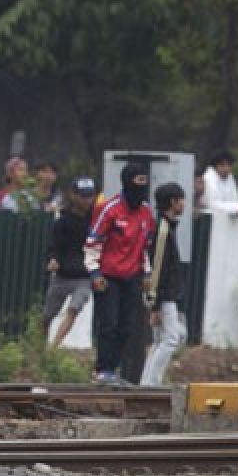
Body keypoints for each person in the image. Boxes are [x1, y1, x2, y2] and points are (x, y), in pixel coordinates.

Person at [85, 162, 155, 384]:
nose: (141, 190)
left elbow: (145, 247)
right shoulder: (109, 209)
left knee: (127, 326)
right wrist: (95, 273)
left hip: (132, 277)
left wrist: (146, 274)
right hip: (108, 276)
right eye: (137, 183)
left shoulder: (146, 213)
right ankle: (102, 369)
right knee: (109, 324)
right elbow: (93, 242)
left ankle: (113, 369)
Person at [140, 182, 189, 386]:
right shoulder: (162, 230)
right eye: (181, 200)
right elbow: (158, 268)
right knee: (171, 339)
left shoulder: (165, 227)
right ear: (172, 202)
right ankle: (152, 383)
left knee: (161, 340)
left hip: (163, 295)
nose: (184, 205)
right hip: (163, 296)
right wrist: (155, 303)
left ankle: (147, 383)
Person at [43, 177, 96, 347]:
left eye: (90, 196)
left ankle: (54, 346)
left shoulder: (96, 221)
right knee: (48, 315)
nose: (87, 200)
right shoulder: (63, 221)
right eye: (83, 196)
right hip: (62, 275)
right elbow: (54, 245)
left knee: (74, 309)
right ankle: (38, 346)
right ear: (74, 196)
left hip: (84, 276)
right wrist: (53, 259)